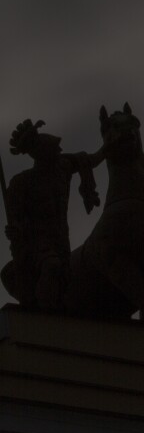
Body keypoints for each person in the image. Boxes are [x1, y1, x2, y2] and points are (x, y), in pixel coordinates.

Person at [1, 119, 104, 309]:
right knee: (51, 266)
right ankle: (44, 314)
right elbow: (15, 218)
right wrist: (15, 231)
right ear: (41, 155)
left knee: (61, 275)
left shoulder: (62, 168)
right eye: (55, 151)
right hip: (36, 244)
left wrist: (109, 146)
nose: (59, 152)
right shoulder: (22, 182)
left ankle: (51, 310)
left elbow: (89, 160)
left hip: (60, 240)